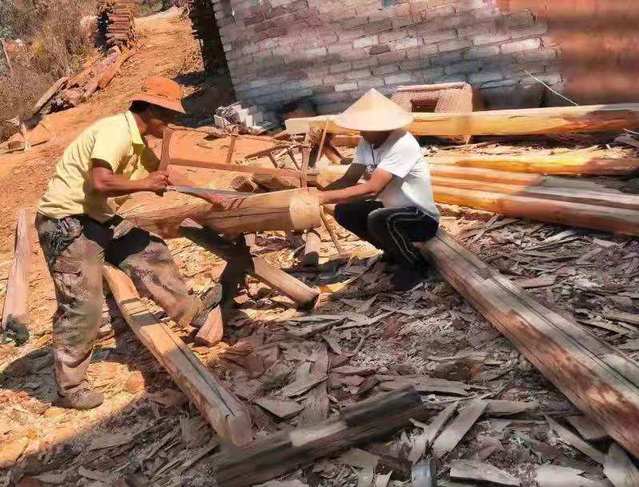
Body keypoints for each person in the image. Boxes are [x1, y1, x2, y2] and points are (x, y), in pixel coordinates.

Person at [36, 77, 223, 410]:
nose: (171, 123)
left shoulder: (137, 141)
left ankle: (193, 313)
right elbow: (101, 181)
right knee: (83, 303)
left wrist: (211, 195)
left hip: (97, 218)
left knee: (150, 251)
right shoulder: (116, 132)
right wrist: (145, 183)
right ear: (149, 110)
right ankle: (70, 388)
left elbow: (167, 175)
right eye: (168, 116)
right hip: (66, 223)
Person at [319, 89, 440, 291]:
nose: (361, 133)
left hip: (420, 217)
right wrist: (314, 193)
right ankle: (393, 251)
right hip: (390, 208)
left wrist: (322, 197)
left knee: (379, 219)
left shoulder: (402, 143)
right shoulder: (367, 142)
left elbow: (372, 189)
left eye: (366, 129)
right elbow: (349, 179)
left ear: (384, 127)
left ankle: (415, 265)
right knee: (344, 211)